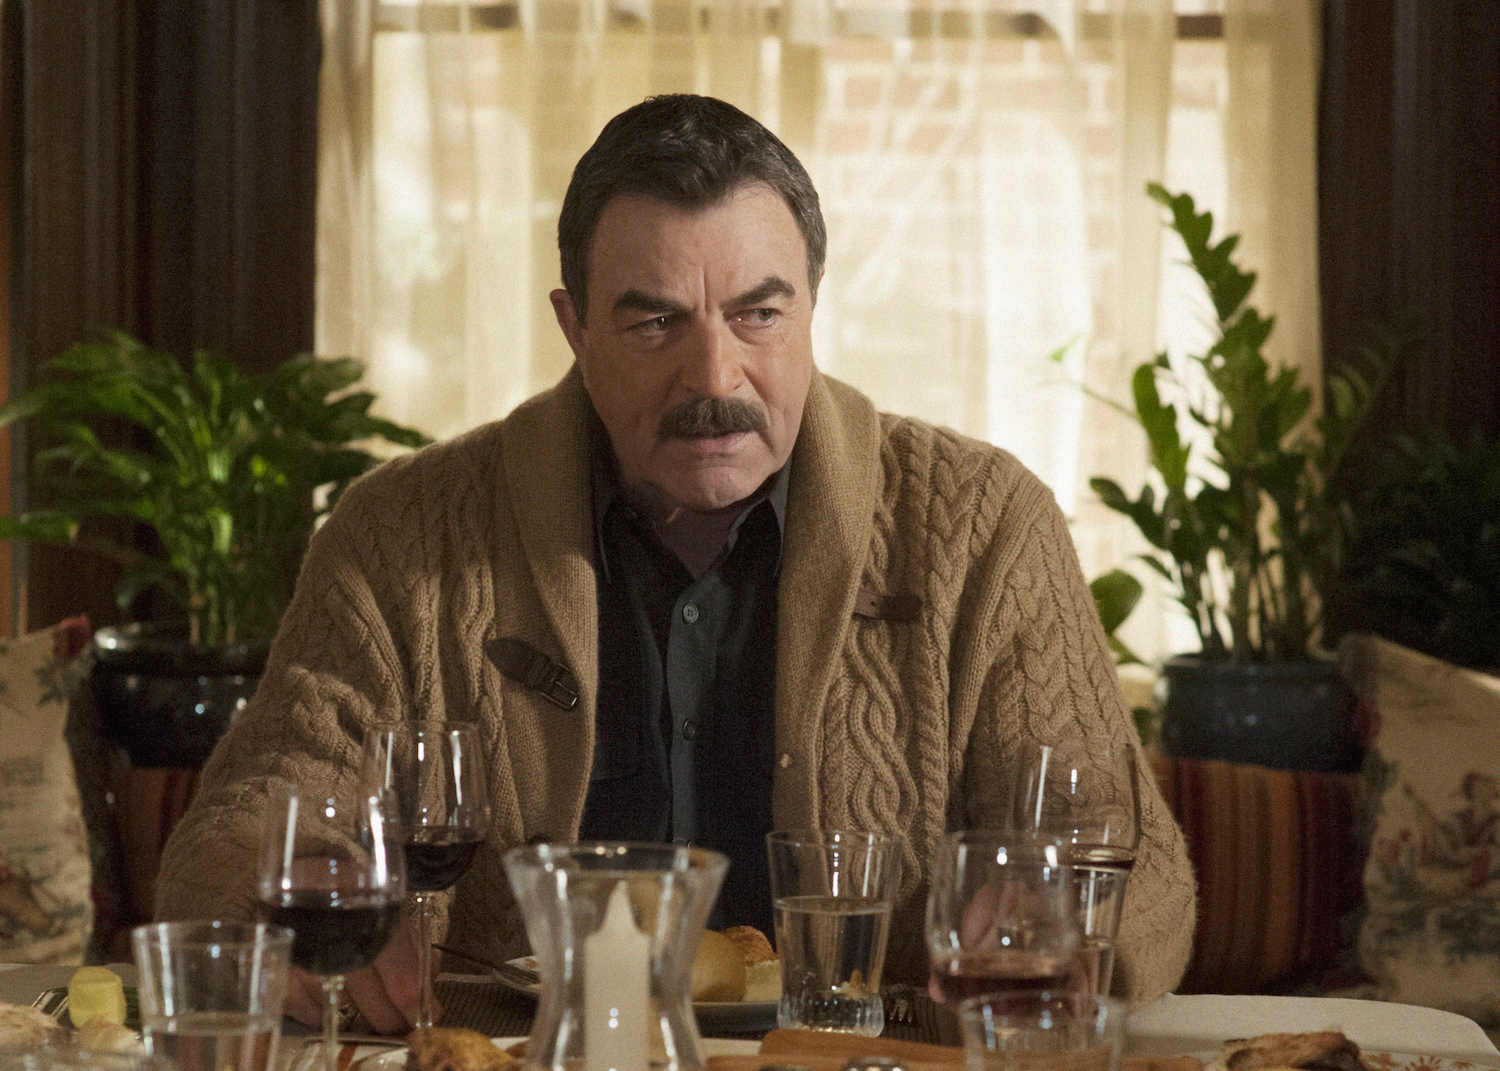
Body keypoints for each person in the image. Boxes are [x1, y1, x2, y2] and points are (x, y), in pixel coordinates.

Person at [155, 93, 1196, 1032]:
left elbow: (1134, 862)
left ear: (813, 304)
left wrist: (1062, 913)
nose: (715, 375)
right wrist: (299, 881)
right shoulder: (399, 532)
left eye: (758, 314)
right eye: (656, 322)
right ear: (574, 326)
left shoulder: (985, 525)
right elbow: (242, 824)